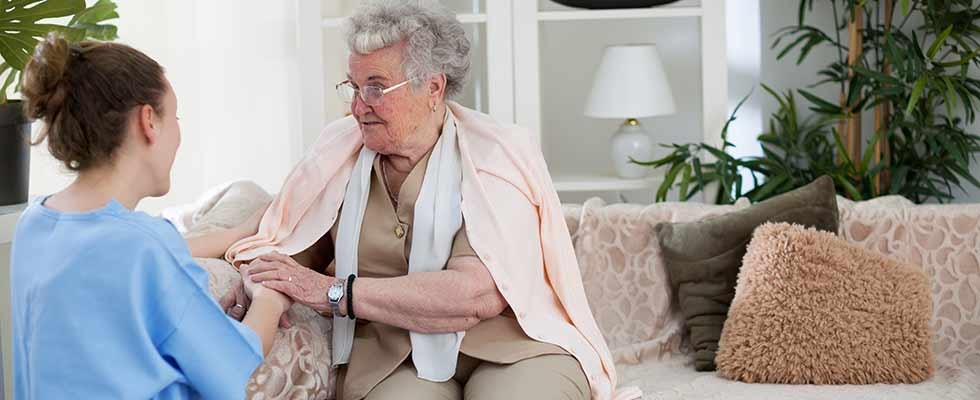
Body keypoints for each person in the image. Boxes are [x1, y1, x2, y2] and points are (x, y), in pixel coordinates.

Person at [226, 2, 641, 399]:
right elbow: (287, 238)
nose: (357, 107)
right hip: (394, 357)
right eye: (353, 87)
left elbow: (473, 296)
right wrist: (262, 285)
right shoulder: (341, 153)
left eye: (376, 87)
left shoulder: (495, 157)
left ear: (434, 87)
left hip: (515, 346)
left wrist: (335, 293)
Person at [10, 34, 290, 399]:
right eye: (174, 116)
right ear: (148, 121)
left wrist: (240, 231)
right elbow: (235, 368)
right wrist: (270, 298)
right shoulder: (143, 247)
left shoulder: (35, 224)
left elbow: (116, 258)